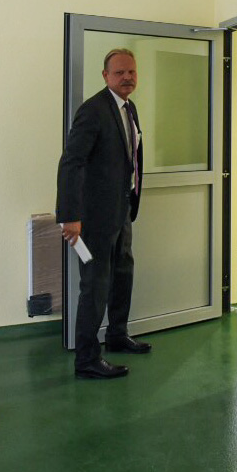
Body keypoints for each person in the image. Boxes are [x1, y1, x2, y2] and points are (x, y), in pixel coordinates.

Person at [56, 48, 151, 380]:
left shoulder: (128, 107)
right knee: (95, 286)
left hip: (121, 210)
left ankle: (117, 334)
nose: (127, 77)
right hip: (93, 217)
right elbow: (71, 162)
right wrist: (70, 215)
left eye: (131, 72)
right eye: (119, 72)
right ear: (105, 76)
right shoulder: (93, 110)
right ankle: (87, 359)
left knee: (123, 273)